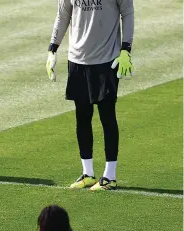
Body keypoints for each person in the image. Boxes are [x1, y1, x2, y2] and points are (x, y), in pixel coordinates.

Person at [46, 0, 135, 190]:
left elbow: (127, 13)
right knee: (82, 116)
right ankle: (88, 174)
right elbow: (63, 16)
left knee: (107, 116)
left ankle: (110, 176)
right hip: (77, 59)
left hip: (107, 59)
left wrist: (126, 49)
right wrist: (52, 49)